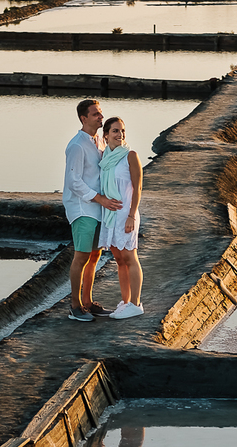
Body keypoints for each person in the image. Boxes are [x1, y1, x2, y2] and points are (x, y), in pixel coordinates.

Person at [62, 99, 122, 322]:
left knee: (94, 256)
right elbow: (73, 181)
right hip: (82, 208)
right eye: (96, 114)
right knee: (81, 256)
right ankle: (75, 306)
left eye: (101, 113)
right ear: (83, 118)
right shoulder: (77, 145)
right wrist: (100, 199)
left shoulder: (99, 141)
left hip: (98, 208)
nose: (101, 117)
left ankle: (87, 302)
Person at [97, 116, 145, 319]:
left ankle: (136, 303)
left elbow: (138, 188)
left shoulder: (130, 155)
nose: (120, 134)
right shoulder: (105, 158)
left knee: (130, 257)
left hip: (126, 213)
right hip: (111, 214)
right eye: (115, 131)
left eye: (122, 130)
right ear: (106, 135)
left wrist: (132, 215)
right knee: (119, 259)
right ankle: (125, 302)